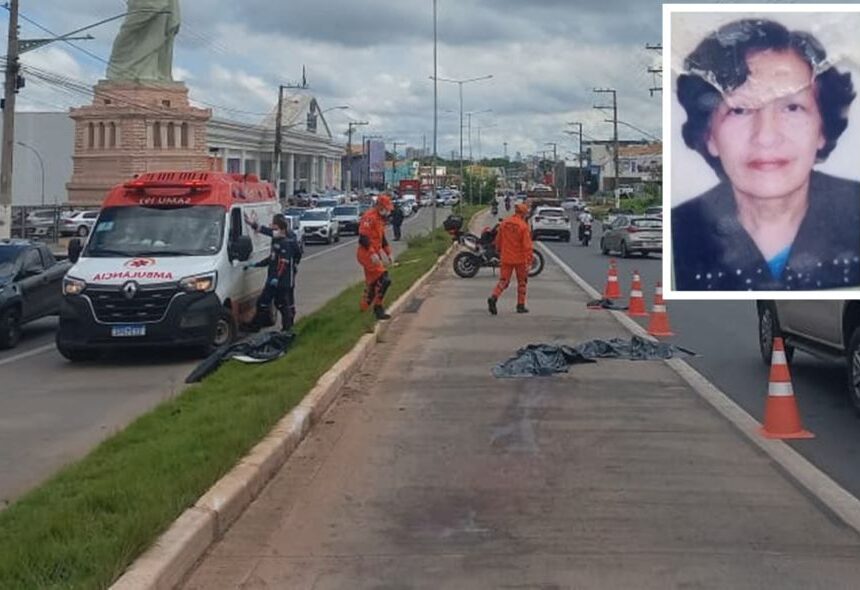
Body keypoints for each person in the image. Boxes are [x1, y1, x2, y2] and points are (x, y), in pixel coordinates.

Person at [673, 18, 860, 290]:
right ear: (709, 135)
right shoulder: (681, 231)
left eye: (792, 108)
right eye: (739, 110)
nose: (766, 136)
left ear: (822, 128)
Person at [244, 213, 303, 332]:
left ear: (280, 227)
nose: (272, 227)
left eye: (274, 225)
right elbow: (272, 257)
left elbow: (286, 260)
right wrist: (256, 264)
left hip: (283, 279)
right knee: (265, 302)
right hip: (274, 276)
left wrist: (281, 274)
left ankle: (287, 327)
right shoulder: (277, 238)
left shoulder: (287, 240)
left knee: (283, 303)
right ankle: (256, 325)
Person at [488, 202, 533, 315]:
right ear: (523, 214)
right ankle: (520, 305)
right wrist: (529, 260)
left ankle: (494, 296)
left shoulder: (505, 223)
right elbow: (527, 246)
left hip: (506, 257)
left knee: (503, 281)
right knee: (522, 282)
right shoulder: (523, 226)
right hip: (520, 259)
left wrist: (498, 250)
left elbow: (498, 240)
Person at [357, 194, 395, 319]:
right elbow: (363, 238)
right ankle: (378, 308)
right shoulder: (369, 217)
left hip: (374, 254)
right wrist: (372, 253)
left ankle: (364, 306)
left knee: (373, 283)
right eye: (386, 208)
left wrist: (389, 253)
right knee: (385, 279)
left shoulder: (380, 219)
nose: (388, 211)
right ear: (379, 206)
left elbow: (382, 238)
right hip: (366, 254)